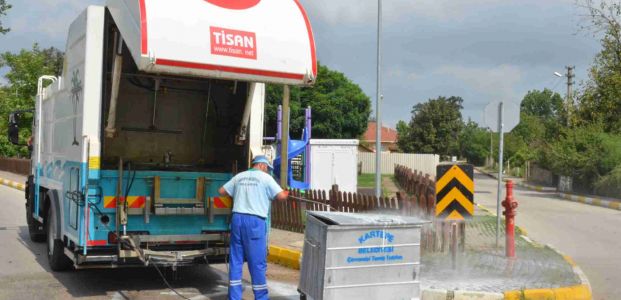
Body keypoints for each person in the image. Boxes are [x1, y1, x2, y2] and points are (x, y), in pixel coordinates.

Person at [219, 155, 289, 300]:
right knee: (257, 262)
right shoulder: (266, 178)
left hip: (237, 219)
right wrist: (286, 193)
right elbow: (281, 196)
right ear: (262, 166)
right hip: (254, 221)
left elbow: (221, 192)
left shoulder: (240, 177)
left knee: (236, 260)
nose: (268, 172)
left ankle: (234, 297)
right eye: (267, 169)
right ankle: (261, 297)